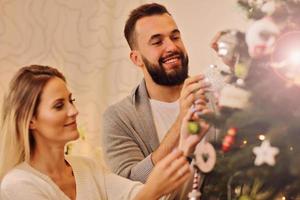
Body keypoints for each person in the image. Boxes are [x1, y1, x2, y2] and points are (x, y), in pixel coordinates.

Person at [0, 65, 203, 200]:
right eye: (59, 105)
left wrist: (184, 144)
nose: (73, 111)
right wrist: (152, 190)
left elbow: (137, 195)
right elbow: (149, 194)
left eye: (71, 101)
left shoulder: (87, 168)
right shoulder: (18, 185)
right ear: (31, 120)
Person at [101, 2, 212, 187]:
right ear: (136, 58)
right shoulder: (118, 118)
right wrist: (180, 123)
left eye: (175, 37)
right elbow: (128, 186)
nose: (171, 47)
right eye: (157, 42)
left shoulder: (214, 97)